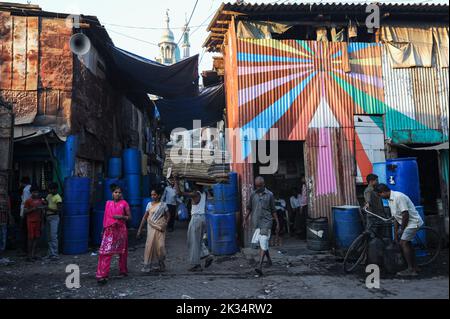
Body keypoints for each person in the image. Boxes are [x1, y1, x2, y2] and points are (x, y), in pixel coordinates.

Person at [376, 184, 424, 277]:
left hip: (413, 222)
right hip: (406, 223)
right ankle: (415, 267)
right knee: (407, 243)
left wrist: (402, 229)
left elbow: (405, 214)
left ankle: (410, 269)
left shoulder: (399, 197)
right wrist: (396, 233)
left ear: (383, 192)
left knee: (403, 243)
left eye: (379, 194)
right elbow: (396, 218)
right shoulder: (390, 200)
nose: (380, 197)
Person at [174, 175, 213, 272]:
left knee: (193, 242)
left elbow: (179, 193)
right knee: (197, 240)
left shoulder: (196, 194)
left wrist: (176, 180)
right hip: (202, 218)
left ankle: (196, 265)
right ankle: (206, 255)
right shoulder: (204, 193)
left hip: (196, 219)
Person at [96, 185, 131, 285]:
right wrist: (103, 230)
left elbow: (130, 217)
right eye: (116, 192)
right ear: (112, 193)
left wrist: (121, 217)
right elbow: (105, 218)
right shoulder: (108, 203)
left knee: (122, 252)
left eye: (119, 192)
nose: (117, 194)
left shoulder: (124, 203)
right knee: (105, 252)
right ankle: (102, 275)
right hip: (109, 231)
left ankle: (123, 271)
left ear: (122, 194)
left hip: (120, 231)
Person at [245, 176, 279, 276]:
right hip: (257, 223)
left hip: (267, 222)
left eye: (260, 186)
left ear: (263, 184)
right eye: (257, 186)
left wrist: (277, 222)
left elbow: (273, 210)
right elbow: (249, 208)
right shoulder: (253, 195)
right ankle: (269, 260)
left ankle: (259, 266)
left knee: (263, 240)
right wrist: (245, 219)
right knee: (262, 243)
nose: (258, 187)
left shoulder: (270, 195)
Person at [137, 188, 170, 273]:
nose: (153, 196)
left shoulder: (163, 205)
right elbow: (145, 217)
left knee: (160, 247)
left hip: (160, 229)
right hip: (151, 228)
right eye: (151, 195)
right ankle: (155, 265)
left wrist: (165, 224)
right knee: (150, 246)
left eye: (154, 194)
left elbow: (168, 215)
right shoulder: (149, 205)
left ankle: (161, 261)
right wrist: (139, 229)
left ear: (158, 195)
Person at [23, 186, 45, 262]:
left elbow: (42, 212)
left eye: (37, 192)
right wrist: (33, 209)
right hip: (30, 222)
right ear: (31, 192)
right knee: (30, 239)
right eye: (34, 192)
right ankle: (29, 256)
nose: (36, 193)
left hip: (38, 221)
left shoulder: (40, 201)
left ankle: (34, 255)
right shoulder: (28, 201)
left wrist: (42, 223)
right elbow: (25, 212)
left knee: (36, 238)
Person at [44, 183, 62, 261]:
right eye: (49, 189)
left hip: (54, 217)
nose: (50, 190)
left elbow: (58, 210)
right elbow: (46, 202)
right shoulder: (49, 195)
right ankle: (50, 253)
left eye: (51, 189)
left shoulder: (58, 198)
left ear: (56, 189)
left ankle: (55, 254)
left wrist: (47, 208)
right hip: (48, 217)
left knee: (53, 236)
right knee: (49, 237)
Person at [0, 194, 13, 265]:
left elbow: (8, 209)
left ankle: (1, 255)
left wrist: (10, 217)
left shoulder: (6, 197)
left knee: (3, 239)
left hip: (3, 220)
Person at [19, 177, 32, 253]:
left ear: (23, 183)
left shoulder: (26, 190)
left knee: (24, 231)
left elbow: (25, 203)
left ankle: (25, 249)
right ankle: (27, 249)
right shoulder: (30, 188)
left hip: (25, 212)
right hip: (29, 212)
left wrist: (23, 214)